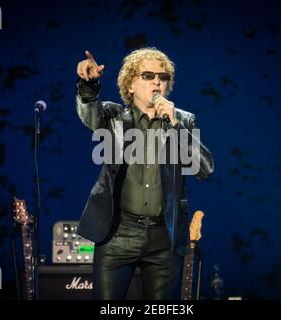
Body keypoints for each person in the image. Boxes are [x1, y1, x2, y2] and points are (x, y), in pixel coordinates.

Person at [75, 47, 214, 300]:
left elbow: (205, 169)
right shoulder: (113, 116)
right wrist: (88, 86)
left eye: (162, 77)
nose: (157, 82)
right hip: (117, 232)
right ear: (130, 84)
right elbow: (90, 116)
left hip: (164, 237)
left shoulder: (183, 120)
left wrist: (175, 124)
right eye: (148, 76)